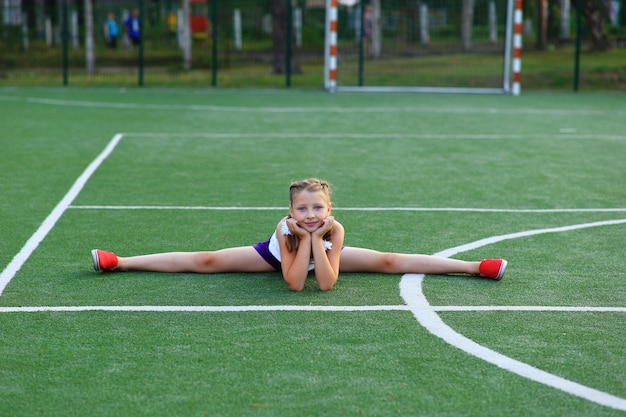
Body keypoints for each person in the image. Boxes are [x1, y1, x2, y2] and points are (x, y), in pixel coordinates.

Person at [92, 178, 507, 292]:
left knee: (387, 261)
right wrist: (305, 239)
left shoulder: (335, 228)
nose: (311, 214)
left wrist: (322, 241)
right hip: (280, 257)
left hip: (322, 256)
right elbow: (293, 282)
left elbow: (325, 284)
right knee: (207, 261)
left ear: (329, 210)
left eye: (318, 209)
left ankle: (474, 267)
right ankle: (123, 261)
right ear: (290, 212)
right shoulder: (286, 230)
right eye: (302, 209)